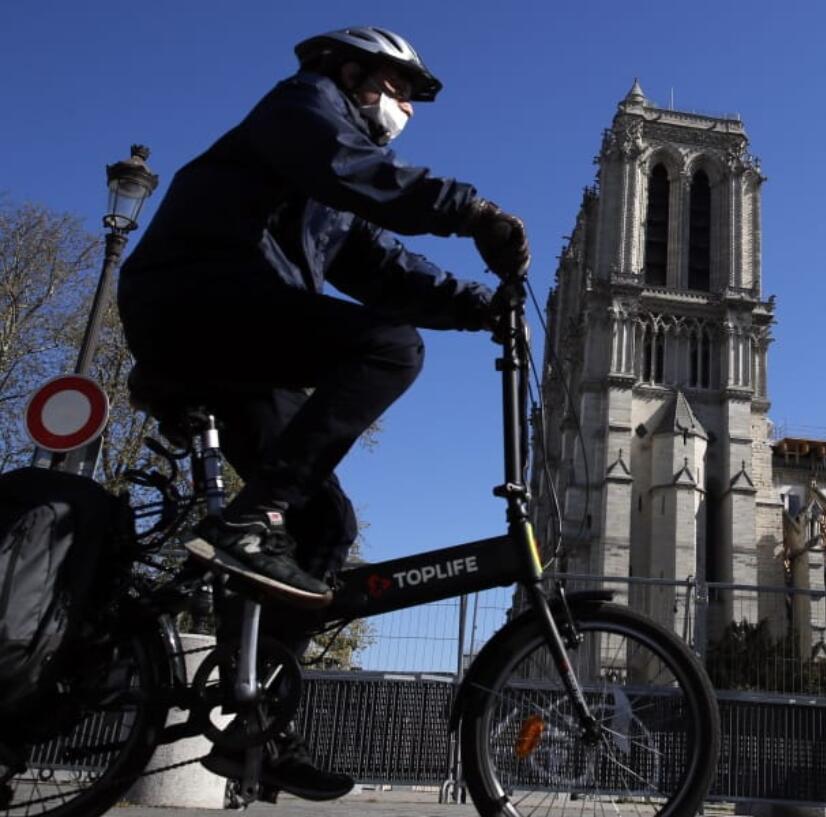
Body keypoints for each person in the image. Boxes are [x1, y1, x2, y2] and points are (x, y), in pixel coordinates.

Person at [117, 26, 530, 800]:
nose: (405, 106)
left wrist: (481, 307)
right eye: (400, 88)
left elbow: (381, 265)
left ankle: (254, 724)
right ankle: (248, 520)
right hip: (193, 298)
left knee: (325, 526)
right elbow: (357, 173)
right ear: (353, 74)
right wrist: (473, 211)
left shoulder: (322, 199)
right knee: (389, 350)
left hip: (239, 336)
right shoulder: (302, 108)